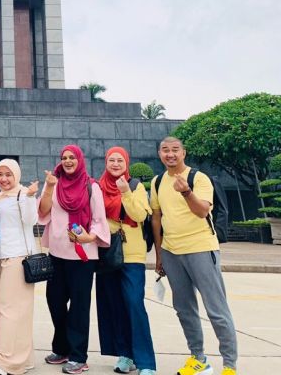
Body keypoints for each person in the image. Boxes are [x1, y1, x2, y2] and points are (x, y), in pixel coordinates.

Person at [151, 137, 238, 375]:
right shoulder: (157, 182)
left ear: (183, 153)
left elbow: (202, 211)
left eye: (175, 150)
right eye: (165, 150)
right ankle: (198, 359)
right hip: (171, 251)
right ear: (160, 153)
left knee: (216, 309)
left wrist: (187, 192)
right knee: (184, 308)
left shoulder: (198, 178)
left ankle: (230, 366)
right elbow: (156, 218)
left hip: (201, 248)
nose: (170, 154)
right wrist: (159, 254)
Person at [38, 145, 110, 375]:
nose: (68, 161)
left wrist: (89, 237)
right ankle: (62, 348)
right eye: (64, 158)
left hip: (82, 256)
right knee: (54, 301)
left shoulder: (92, 186)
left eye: (72, 158)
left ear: (80, 160)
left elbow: (99, 219)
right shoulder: (55, 182)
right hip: (57, 253)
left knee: (79, 307)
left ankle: (78, 356)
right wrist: (49, 187)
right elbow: (43, 212)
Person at [0, 159, 39, 375]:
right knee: (13, 310)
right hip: (1, 257)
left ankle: (6, 359)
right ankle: (23, 359)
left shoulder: (23, 193)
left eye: (8, 174)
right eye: (0, 174)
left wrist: (30, 198)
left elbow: (31, 220)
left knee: (9, 309)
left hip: (18, 257)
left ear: (17, 175)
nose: (3, 179)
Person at [96, 147, 157, 375]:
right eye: (111, 160)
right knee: (114, 305)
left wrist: (125, 193)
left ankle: (146, 362)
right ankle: (125, 355)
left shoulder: (135, 186)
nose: (115, 164)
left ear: (127, 163)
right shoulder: (98, 187)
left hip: (132, 255)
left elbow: (140, 215)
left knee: (134, 304)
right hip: (106, 253)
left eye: (119, 160)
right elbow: (94, 216)